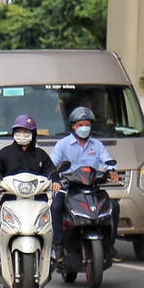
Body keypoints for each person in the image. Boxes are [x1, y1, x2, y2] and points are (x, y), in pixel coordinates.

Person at [0, 114, 60, 266]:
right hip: (11, 199)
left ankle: (50, 251)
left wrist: (56, 181)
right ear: (13, 133)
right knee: (1, 225)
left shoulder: (41, 155)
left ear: (33, 134)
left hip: (37, 200)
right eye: (19, 131)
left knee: (48, 224)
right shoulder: (5, 153)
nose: (22, 135)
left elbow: (51, 171)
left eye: (26, 132)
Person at [49, 106, 122, 261]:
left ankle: (109, 246)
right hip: (69, 188)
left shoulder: (97, 145)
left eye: (87, 125)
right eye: (81, 125)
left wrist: (112, 171)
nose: (84, 128)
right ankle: (59, 246)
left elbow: (107, 160)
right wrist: (54, 178)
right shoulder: (63, 144)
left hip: (91, 189)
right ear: (73, 126)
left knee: (113, 207)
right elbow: (51, 166)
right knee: (56, 207)